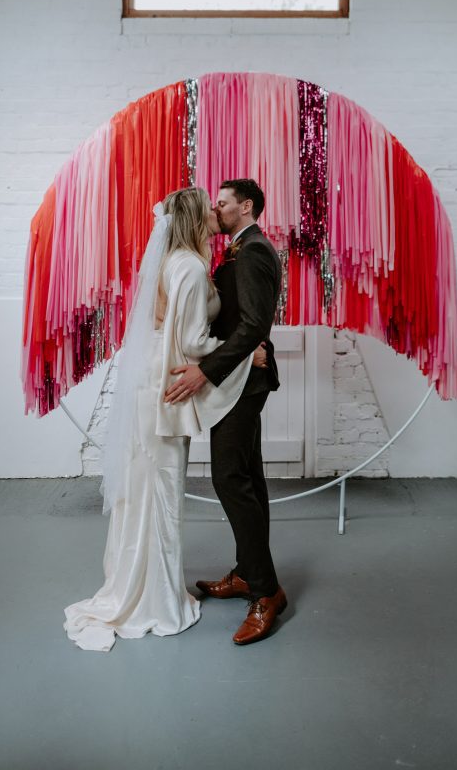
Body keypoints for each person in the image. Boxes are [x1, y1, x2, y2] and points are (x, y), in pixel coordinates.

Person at [63, 187, 268, 652]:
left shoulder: (171, 260)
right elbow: (194, 343)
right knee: (161, 488)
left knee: (144, 487)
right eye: (211, 207)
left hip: (150, 380)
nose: (217, 211)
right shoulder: (193, 269)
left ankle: (138, 583)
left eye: (223, 203)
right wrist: (244, 355)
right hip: (169, 386)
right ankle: (154, 599)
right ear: (197, 217)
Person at [164, 178, 286, 646]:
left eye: (223, 203)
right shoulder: (238, 248)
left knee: (229, 479)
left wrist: (206, 371)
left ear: (247, 206)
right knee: (248, 479)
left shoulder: (253, 250)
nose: (215, 210)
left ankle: (265, 592)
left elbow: (254, 322)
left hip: (243, 381)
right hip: (241, 374)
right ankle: (246, 572)